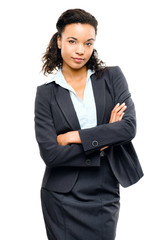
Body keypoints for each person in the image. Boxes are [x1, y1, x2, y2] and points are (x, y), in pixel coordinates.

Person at [34, 8, 143, 240]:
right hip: (61, 195)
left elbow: (128, 128)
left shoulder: (112, 78)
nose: (80, 50)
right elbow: (50, 154)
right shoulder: (46, 94)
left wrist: (75, 136)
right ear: (59, 41)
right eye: (73, 41)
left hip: (104, 187)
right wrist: (105, 139)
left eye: (88, 43)